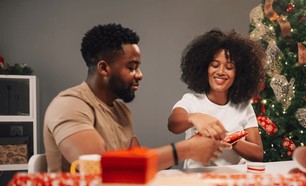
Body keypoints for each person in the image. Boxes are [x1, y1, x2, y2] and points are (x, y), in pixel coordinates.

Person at [43, 23, 229, 172]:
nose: (139, 74)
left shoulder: (121, 111)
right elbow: (100, 169)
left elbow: (142, 163)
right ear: (104, 68)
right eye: (131, 67)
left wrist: (194, 145)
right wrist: (185, 150)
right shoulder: (69, 105)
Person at [168, 28, 265, 168]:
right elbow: (173, 124)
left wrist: (229, 138)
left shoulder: (244, 106)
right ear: (204, 68)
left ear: (239, 73)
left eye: (229, 67)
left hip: (233, 180)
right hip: (197, 179)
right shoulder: (192, 101)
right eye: (214, 65)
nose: (220, 72)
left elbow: (258, 155)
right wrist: (194, 117)